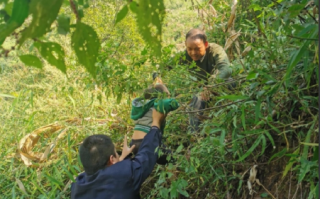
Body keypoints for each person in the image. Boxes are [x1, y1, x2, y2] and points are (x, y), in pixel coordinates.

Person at [71, 109, 166, 199]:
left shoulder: (77, 186)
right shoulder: (123, 177)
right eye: (116, 153)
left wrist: (121, 159)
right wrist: (155, 124)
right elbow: (146, 156)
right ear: (111, 159)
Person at [180, 28, 233, 133]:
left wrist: (211, 86)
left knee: (230, 81)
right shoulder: (183, 55)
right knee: (197, 98)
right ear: (185, 44)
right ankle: (194, 134)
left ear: (206, 44)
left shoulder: (215, 50)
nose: (193, 52)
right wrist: (157, 76)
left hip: (218, 84)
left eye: (197, 49)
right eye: (189, 48)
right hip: (201, 89)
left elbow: (226, 69)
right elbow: (167, 67)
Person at [130, 83, 179, 164]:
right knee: (172, 159)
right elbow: (172, 104)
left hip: (134, 142)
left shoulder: (143, 106)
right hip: (146, 142)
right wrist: (175, 102)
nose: (169, 97)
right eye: (167, 95)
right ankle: (173, 174)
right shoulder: (158, 104)